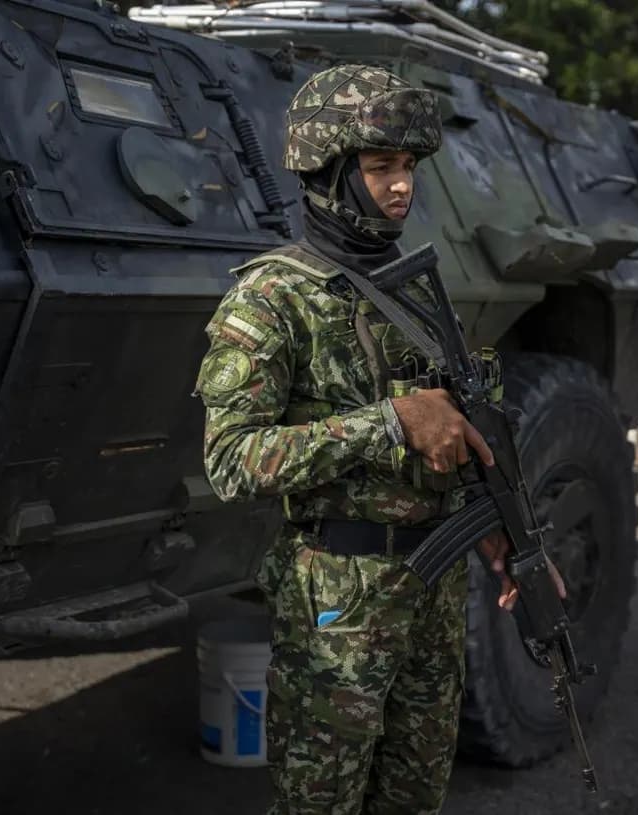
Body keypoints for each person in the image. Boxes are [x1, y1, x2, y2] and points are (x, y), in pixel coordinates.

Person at [196, 64, 545, 814]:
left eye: (409, 166)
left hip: (432, 590)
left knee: (415, 795)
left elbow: (453, 422)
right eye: (381, 166)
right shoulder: (272, 298)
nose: (402, 186)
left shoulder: (413, 284)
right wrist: (389, 422)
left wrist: (495, 524)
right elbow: (230, 461)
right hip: (337, 602)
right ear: (328, 171)